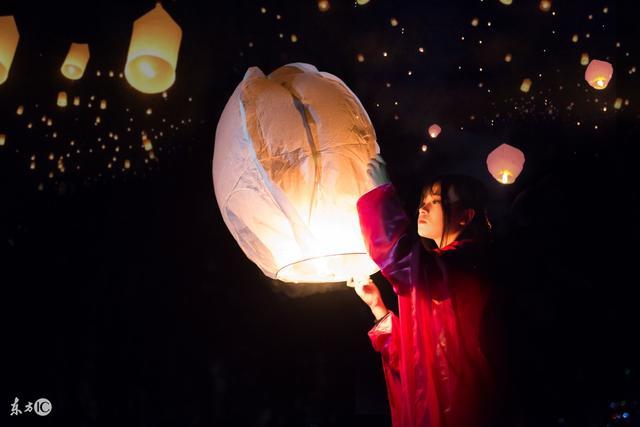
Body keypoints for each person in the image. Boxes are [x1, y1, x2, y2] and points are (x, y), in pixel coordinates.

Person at [352, 154, 504, 427]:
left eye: (435, 202)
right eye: (422, 202)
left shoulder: (468, 261)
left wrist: (382, 195)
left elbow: (402, 260)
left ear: (466, 216)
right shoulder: (436, 271)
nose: (422, 209)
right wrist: (378, 307)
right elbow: (413, 363)